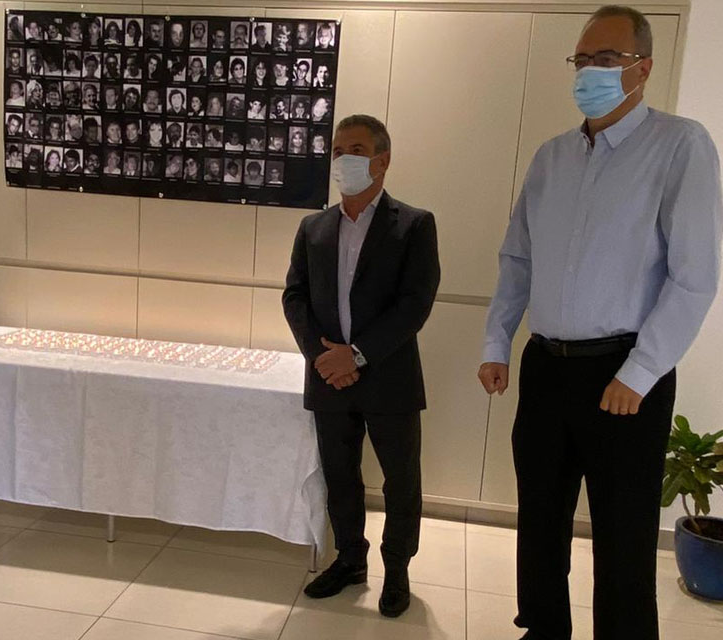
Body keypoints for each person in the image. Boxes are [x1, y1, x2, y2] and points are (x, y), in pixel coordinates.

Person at [478, 7, 721, 640]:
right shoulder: (551, 157)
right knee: (540, 518)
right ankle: (543, 629)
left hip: (624, 373)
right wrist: (497, 340)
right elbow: (517, 257)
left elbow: (694, 275)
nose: (591, 72)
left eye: (607, 59)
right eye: (583, 60)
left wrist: (640, 372)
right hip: (546, 366)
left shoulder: (679, 145)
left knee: (622, 533)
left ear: (643, 68)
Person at [283, 114, 440, 618]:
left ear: (382, 160)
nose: (343, 159)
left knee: (401, 480)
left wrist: (356, 354)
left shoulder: (414, 224)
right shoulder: (313, 228)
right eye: (337, 150)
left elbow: (415, 304)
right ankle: (350, 559)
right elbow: (294, 297)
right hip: (329, 378)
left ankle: (397, 568)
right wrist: (324, 358)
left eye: (355, 149)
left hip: (389, 377)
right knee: (340, 476)